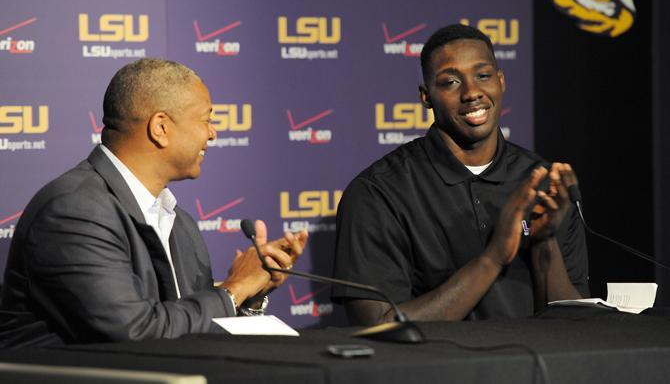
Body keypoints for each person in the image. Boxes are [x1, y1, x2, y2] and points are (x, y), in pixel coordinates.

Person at [0, 58, 307, 347]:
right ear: (160, 127)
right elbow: (135, 334)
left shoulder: (179, 222)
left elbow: (185, 323)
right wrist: (233, 290)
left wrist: (250, 293)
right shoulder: (73, 211)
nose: (212, 133)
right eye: (206, 119)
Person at [331, 24, 589, 325]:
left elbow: (575, 323)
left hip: (535, 371)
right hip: (436, 371)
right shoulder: (378, 193)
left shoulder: (545, 183)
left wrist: (545, 242)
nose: (471, 93)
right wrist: (493, 257)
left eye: (483, 76)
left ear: (501, 81)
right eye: (451, 82)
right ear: (426, 96)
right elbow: (377, 327)